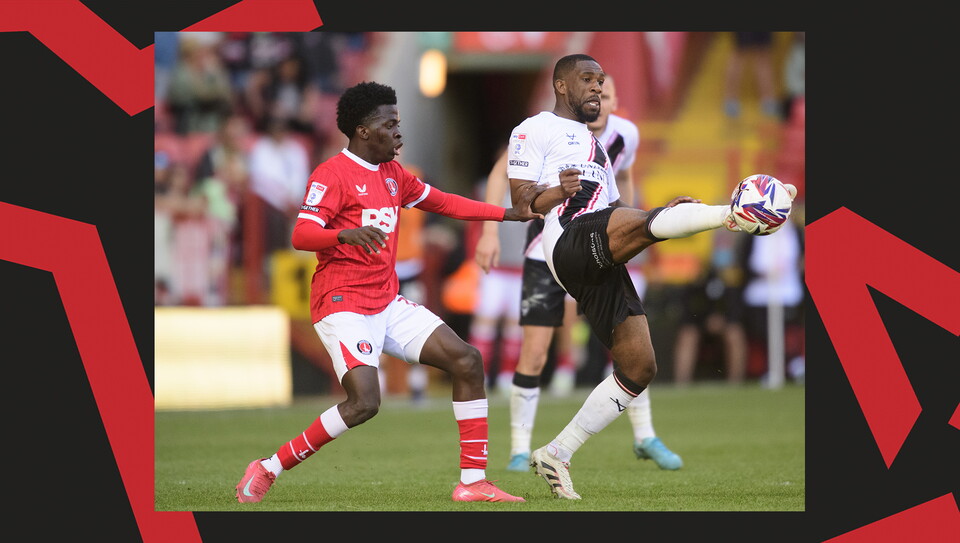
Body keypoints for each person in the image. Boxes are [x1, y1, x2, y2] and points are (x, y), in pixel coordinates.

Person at [235, 81, 543, 504]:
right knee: (364, 402)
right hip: (343, 303)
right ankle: (268, 467)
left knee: (467, 361)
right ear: (363, 130)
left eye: (398, 123)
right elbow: (302, 234)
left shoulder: (395, 174)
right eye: (390, 124)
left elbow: (445, 203)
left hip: (385, 301)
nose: (399, 132)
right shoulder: (332, 174)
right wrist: (344, 234)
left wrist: (507, 213)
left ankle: (473, 483)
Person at [507, 54, 795, 499]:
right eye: (587, 80)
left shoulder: (598, 147)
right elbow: (523, 204)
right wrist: (555, 193)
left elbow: (617, 213)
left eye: (601, 81)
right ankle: (730, 214)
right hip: (565, 238)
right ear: (560, 85)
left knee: (640, 366)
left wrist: (664, 216)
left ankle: (557, 452)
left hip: (598, 247)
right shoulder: (533, 128)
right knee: (648, 223)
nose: (597, 89)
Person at [475, 74, 682, 473]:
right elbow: (503, 173)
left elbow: (623, 178)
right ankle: (520, 448)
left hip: (598, 242)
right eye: (593, 89)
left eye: (606, 92)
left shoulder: (625, 136)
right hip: (545, 246)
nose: (599, 97)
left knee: (627, 345)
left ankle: (645, 436)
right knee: (534, 350)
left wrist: (630, 225)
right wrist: (489, 231)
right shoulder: (547, 129)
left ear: (615, 98)